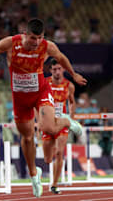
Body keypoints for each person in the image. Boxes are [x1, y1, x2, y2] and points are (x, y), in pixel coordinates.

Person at [0, 18, 87, 197]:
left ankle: (66, 121)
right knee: (27, 138)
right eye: (33, 38)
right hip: (20, 98)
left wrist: (73, 74)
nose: (36, 42)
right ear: (25, 34)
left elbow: (61, 57)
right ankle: (34, 176)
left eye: (39, 38)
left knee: (48, 127)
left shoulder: (46, 46)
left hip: (40, 92)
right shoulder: (10, 43)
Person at [44, 59, 76, 194]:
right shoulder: (45, 83)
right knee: (47, 158)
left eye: (59, 69)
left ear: (63, 69)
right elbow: (35, 100)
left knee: (59, 152)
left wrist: (71, 119)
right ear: (50, 70)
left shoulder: (69, 86)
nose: (57, 72)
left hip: (62, 122)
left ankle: (55, 184)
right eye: (54, 69)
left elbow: (72, 103)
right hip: (48, 122)